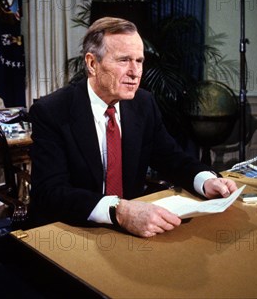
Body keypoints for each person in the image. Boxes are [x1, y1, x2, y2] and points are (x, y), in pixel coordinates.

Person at [29, 17, 238, 238]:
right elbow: (51, 192)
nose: (135, 72)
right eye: (124, 60)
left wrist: (206, 180)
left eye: (139, 61)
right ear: (92, 64)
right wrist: (118, 210)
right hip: (70, 231)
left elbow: (171, 158)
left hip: (132, 232)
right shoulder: (52, 111)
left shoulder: (143, 104)